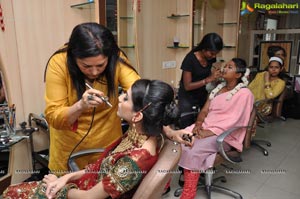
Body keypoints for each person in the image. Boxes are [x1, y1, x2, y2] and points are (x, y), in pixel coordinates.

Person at [3, 79, 180, 199]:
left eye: (125, 97)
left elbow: (90, 197)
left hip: (83, 194)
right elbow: (101, 170)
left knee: (11, 193)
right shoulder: (142, 135)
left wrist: (61, 188)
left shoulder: (134, 162)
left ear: (137, 116)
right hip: (83, 185)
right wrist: (66, 178)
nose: (118, 98)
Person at [44, 22, 140, 174]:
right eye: (86, 66)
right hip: (69, 149)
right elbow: (53, 116)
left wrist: (167, 130)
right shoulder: (59, 63)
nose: (94, 72)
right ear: (74, 58)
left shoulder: (117, 58)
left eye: (101, 65)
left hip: (107, 145)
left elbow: (140, 93)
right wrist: (79, 106)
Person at [176, 58, 254, 199]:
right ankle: (185, 178)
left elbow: (236, 120)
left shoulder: (245, 94)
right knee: (180, 140)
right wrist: (199, 124)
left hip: (225, 134)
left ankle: (189, 193)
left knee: (193, 148)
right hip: (204, 127)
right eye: (225, 66)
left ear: (238, 75)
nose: (224, 69)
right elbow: (205, 111)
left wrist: (209, 132)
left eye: (229, 67)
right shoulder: (217, 89)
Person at [177, 33, 223, 129]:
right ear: (204, 48)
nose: (214, 56)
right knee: (187, 126)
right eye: (212, 53)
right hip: (187, 96)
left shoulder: (210, 58)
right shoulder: (190, 59)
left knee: (204, 121)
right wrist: (208, 80)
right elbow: (187, 86)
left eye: (216, 53)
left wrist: (216, 75)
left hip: (201, 93)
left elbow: (206, 72)